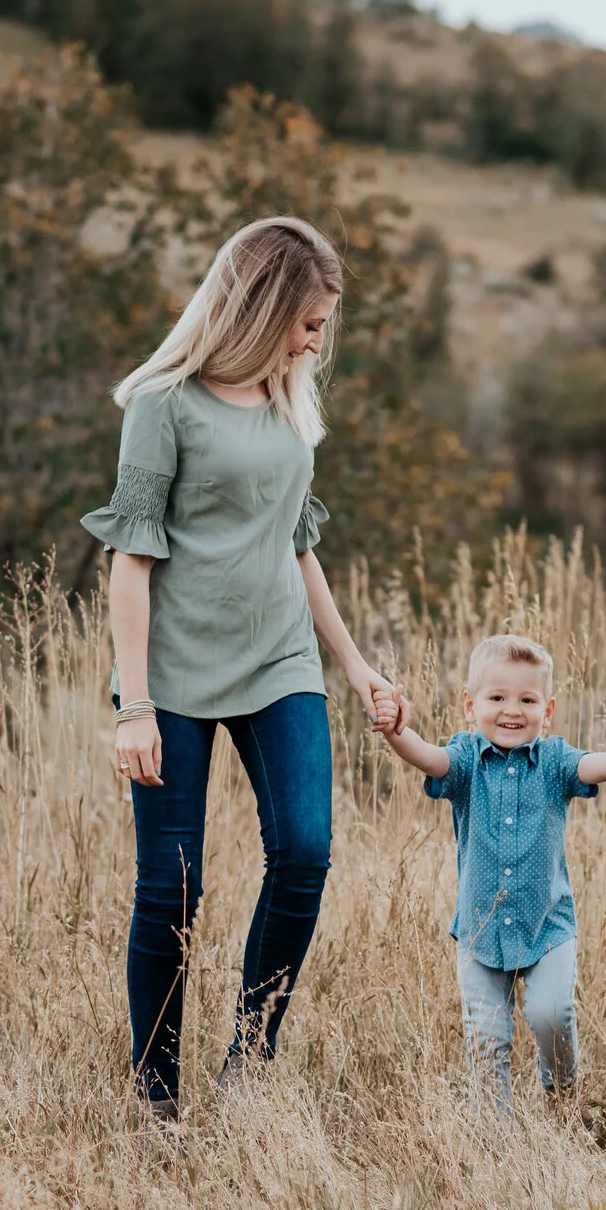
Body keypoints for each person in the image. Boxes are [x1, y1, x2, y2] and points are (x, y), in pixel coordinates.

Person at [81, 216, 403, 1123]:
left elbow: (296, 548)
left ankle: (249, 1061)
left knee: (304, 849)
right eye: (307, 322)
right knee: (171, 885)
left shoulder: (289, 402)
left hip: (280, 662)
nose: (315, 341)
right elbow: (132, 559)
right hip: (173, 675)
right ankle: (156, 1100)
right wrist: (133, 704)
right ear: (259, 308)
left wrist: (356, 664)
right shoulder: (165, 404)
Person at [374, 634, 606, 1109]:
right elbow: (426, 756)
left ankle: (562, 1092)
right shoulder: (467, 760)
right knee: (486, 1039)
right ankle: (496, 1139)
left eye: (527, 700)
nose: (512, 710)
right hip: (480, 928)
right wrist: (393, 730)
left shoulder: (553, 762)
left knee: (553, 1014)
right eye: (497, 698)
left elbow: (603, 765)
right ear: (471, 706)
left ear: (546, 710)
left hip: (547, 926)